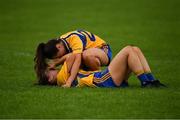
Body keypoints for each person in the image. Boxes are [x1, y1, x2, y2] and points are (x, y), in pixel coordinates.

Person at [38, 45, 166, 88]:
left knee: (134, 49)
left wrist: (57, 63)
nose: (54, 69)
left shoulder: (65, 76)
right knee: (128, 50)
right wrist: (58, 62)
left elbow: (74, 57)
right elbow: (73, 56)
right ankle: (146, 82)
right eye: (50, 71)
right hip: (102, 79)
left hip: (103, 78)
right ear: (50, 79)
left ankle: (151, 81)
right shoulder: (61, 79)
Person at [34, 29, 112, 85]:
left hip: (103, 51)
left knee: (86, 55)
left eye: (58, 56)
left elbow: (77, 60)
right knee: (80, 57)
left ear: (58, 47)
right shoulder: (62, 43)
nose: (60, 57)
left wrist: (69, 82)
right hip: (88, 55)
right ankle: (90, 75)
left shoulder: (74, 39)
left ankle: (99, 75)